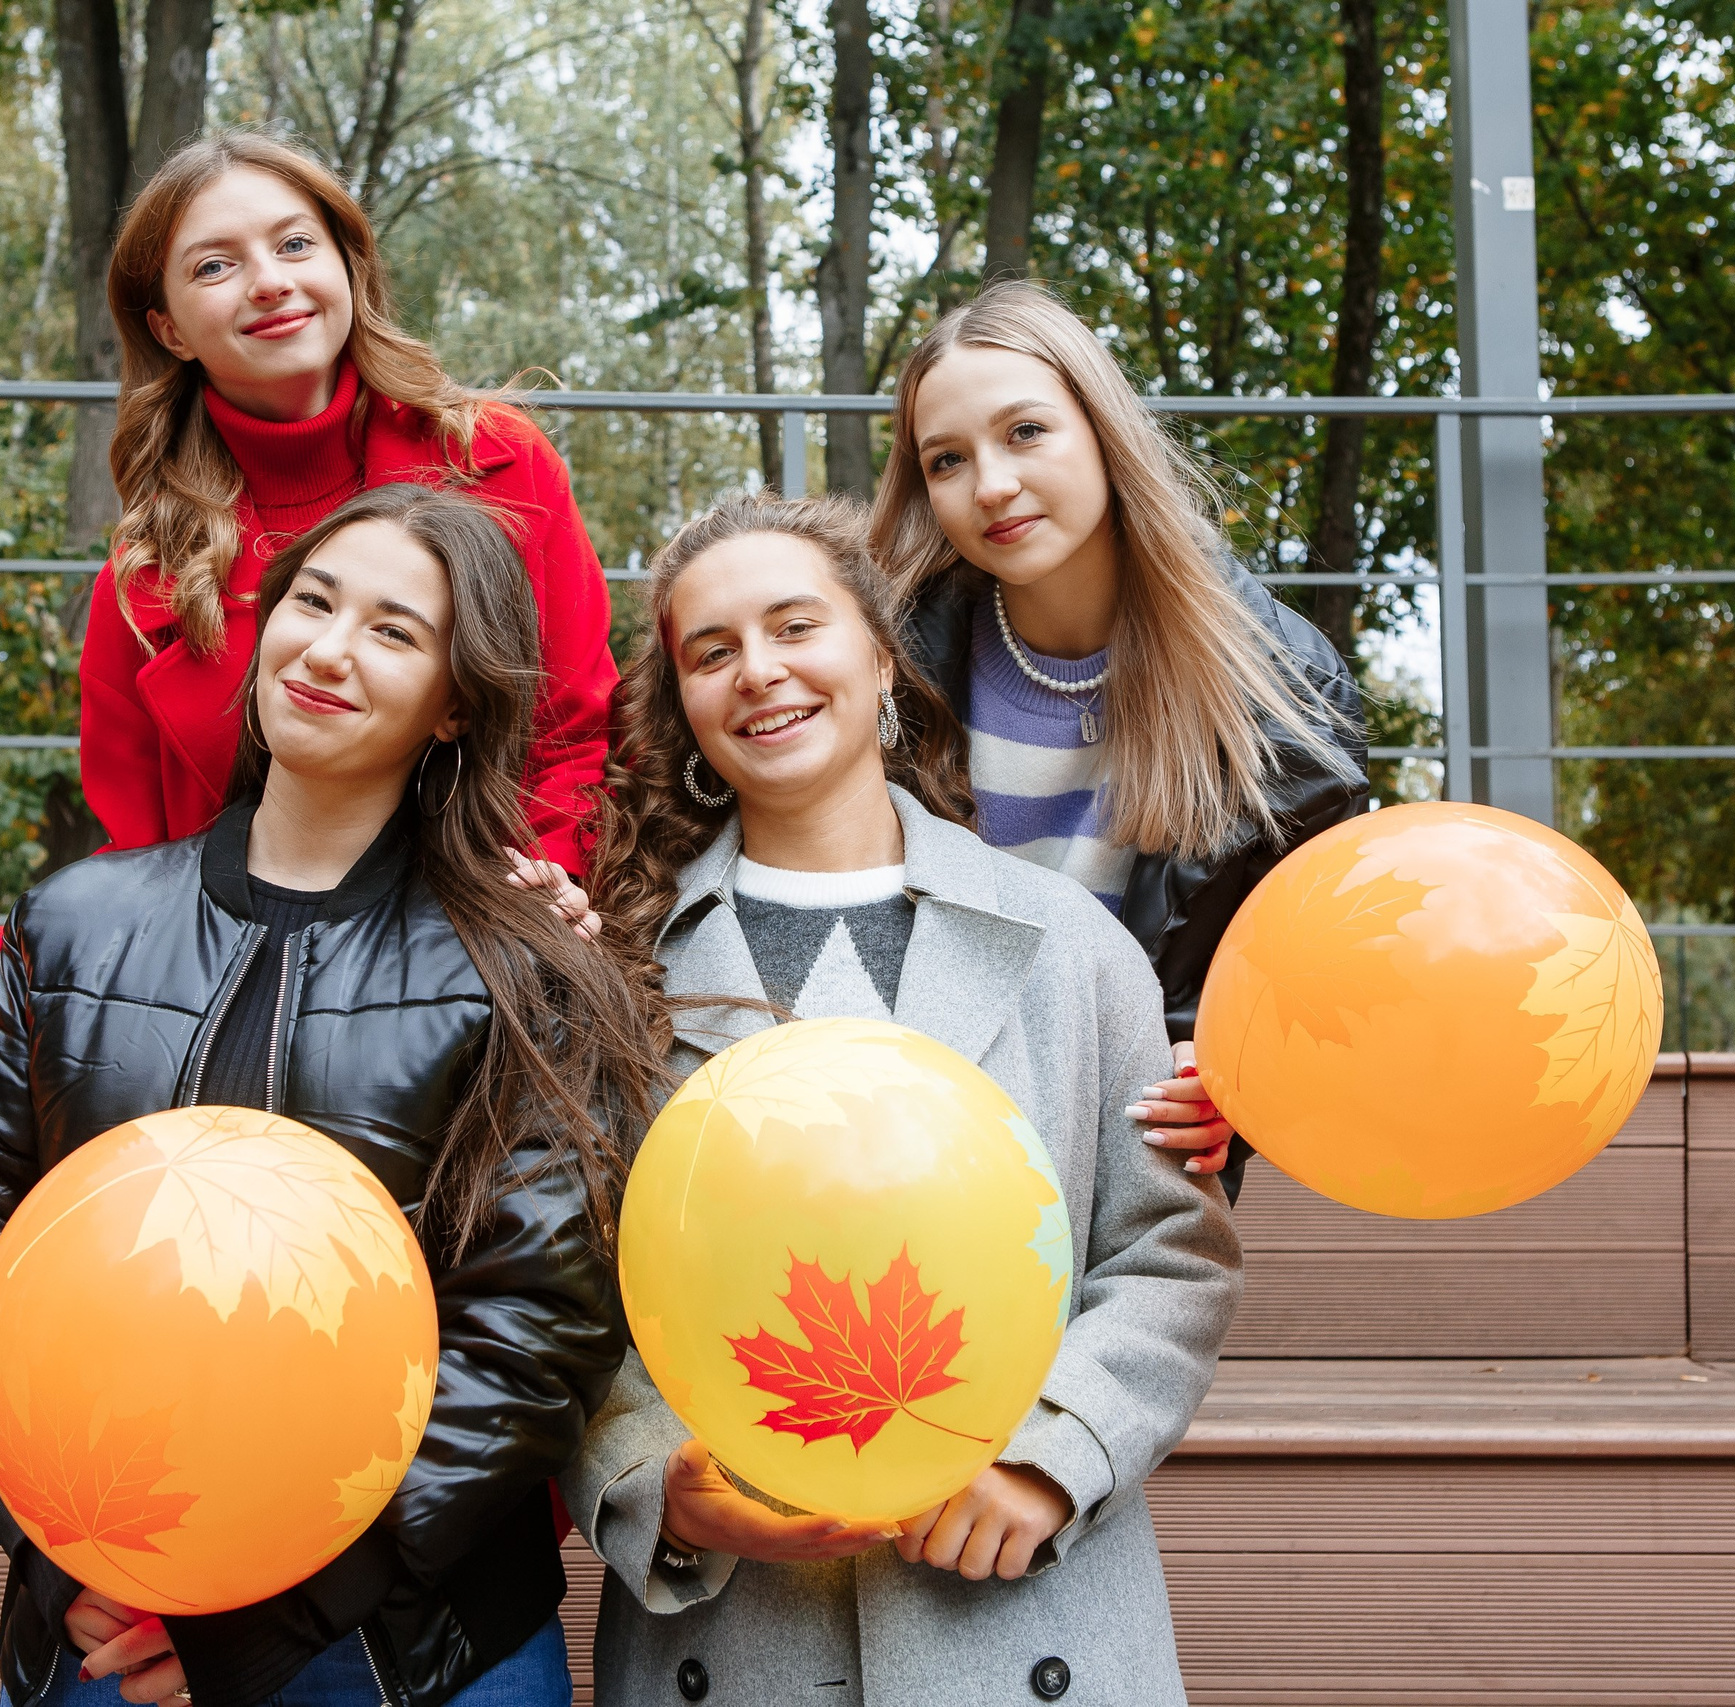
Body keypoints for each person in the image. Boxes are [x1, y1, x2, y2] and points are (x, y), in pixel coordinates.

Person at [0, 485, 660, 1707]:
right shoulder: (73, 923)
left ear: (457, 703)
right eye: (313, 601)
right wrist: (41, 1537)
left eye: (394, 631)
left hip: (405, 1648)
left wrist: (281, 1612)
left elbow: (534, 1330)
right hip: (103, 1625)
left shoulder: (522, 971)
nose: (329, 648)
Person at [573, 493, 1242, 1704]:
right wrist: (651, 1480)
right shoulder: (616, 975)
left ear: (880, 654)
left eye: (795, 627)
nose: (759, 672)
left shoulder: (1069, 946)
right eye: (710, 652)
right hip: (735, 1637)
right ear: (680, 709)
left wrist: (1051, 1459)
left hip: (1021, 1611)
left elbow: (1167, 1254)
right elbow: (562, 1290)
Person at [0, 130, 613, 1054]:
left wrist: (536, 895)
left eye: (295, 244)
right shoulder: (147, 573)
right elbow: (143, 861)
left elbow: (573, 743)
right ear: (167, 327)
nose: (269, 281)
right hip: (238, 987)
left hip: (468, 969)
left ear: (347, 264)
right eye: (215, 266)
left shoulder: (498, 465)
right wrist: (18, 955)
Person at [875, 281, 1369, 1198]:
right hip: (909, 1136)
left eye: (1026, 432)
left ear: (1104, 430)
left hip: (1124, 1142)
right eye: (946, 460)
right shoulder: (888, 672)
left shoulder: (1282, 695)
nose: (991, 485)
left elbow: (1304, 979)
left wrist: (1239, 1090)